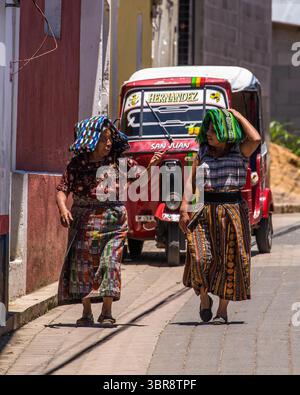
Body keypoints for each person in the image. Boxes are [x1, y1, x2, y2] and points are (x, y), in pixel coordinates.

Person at [56, 116, 164, 327]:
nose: (108, 143)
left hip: (113, 221)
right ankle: (86, 312)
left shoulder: (118, 162)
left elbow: (139, 181)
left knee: (110, 263)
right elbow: (62, 190)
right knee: (83, 265)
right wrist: (62, 209)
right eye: (104, 139)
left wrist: (151, 165)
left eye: (110, 139)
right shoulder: (78, 164)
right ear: (92, 139)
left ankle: (107, 312)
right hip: (83, 221)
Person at [179, 108, 261, 325]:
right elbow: (190, 180)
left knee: (229, 261)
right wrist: (184, 206)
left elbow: (256, 138)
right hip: (204, 209)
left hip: (232, 210)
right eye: (208, 129)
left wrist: (237, 115)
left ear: (226, 131)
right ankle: (204, 298)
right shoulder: (203, 151)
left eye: (214, 130)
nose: (208, 133)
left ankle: (222, 311)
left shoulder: (239, 151)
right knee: (199, 257)